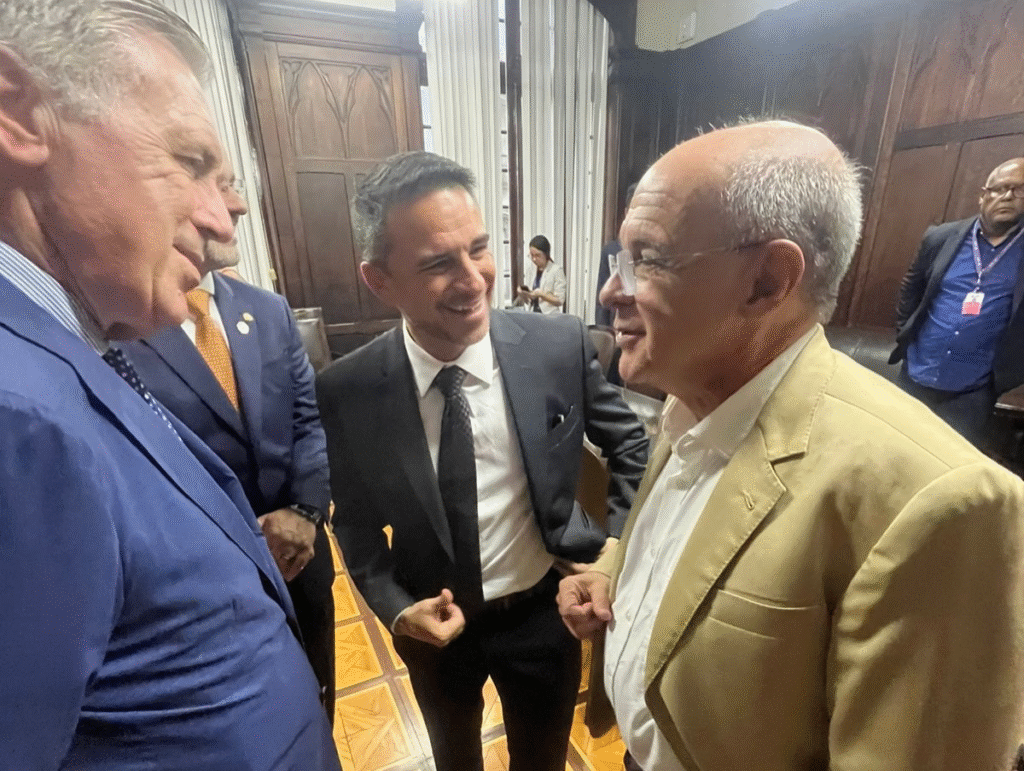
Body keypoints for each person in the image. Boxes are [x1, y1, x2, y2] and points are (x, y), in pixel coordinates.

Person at [558, 120, 1024, 771]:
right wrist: (615, 570)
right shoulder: (691, 395)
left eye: (649, 260)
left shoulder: (941, 503)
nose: (612, 291)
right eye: (621, 261)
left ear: (768, 281)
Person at [0, 2, 340, 769]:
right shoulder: (15, 414)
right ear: (17, 114)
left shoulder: (76, 346)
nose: (223, 221)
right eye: (190, 162)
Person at [316, 151, 649, 771]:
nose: (474, 280)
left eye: (479, 249)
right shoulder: (349, 390)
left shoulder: (556, 344)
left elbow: (632, 445)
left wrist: (614, 552)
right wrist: (396, 608)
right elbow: (354, 524)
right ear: (379, 280)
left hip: (544, 615)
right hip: (435, 627)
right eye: (438, 263)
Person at [124, 161, 337, 719]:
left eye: (234, 185)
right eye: (219, 186)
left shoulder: (267, 310)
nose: (238, 205)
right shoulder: (125, 328)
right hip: (208, 579)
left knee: (319, 690)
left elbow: (308, 420)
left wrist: (306, 511)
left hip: (302, 553)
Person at [890, 157, 1024, 447]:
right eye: (1000, 188)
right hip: (915, 374)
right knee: (894, 449)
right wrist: (905, 334)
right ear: (983, 195)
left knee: (945, 462)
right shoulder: (941, 237)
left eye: (1019, 190)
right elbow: (911, 287)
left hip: (973, 392)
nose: (1007, 196)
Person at [595, 182, 637, 327]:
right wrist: (604, 332)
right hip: (615, 326)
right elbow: (601, 303)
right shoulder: (611, 250)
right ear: (626, 213)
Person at [515, 234, 566, 313]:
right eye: (532, 255)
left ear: (546, 254)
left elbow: (560, 301)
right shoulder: (531, 269)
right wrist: (523, 293)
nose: (534, 259)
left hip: (549, 315)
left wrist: (542, 295)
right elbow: (529, 300)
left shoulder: (556, 270)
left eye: (537, 255)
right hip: (533, 313)